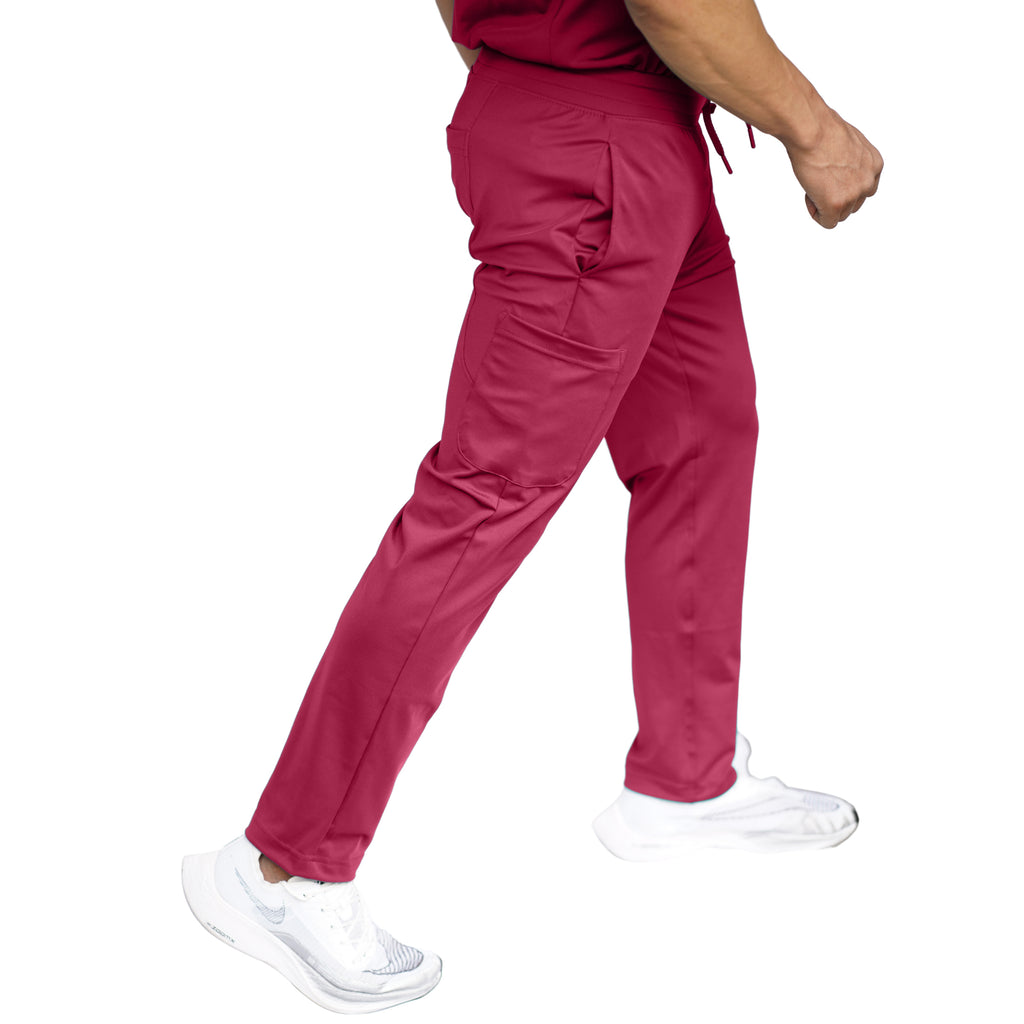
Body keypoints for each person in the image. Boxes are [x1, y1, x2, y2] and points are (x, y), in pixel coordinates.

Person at [182, 0, 883, 1014]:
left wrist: (525, 66)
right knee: (482, 503)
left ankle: (686, 779)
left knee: (701, 431)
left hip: (611, 127)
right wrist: (816, 130)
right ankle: (284, 864)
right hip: (598, 149)